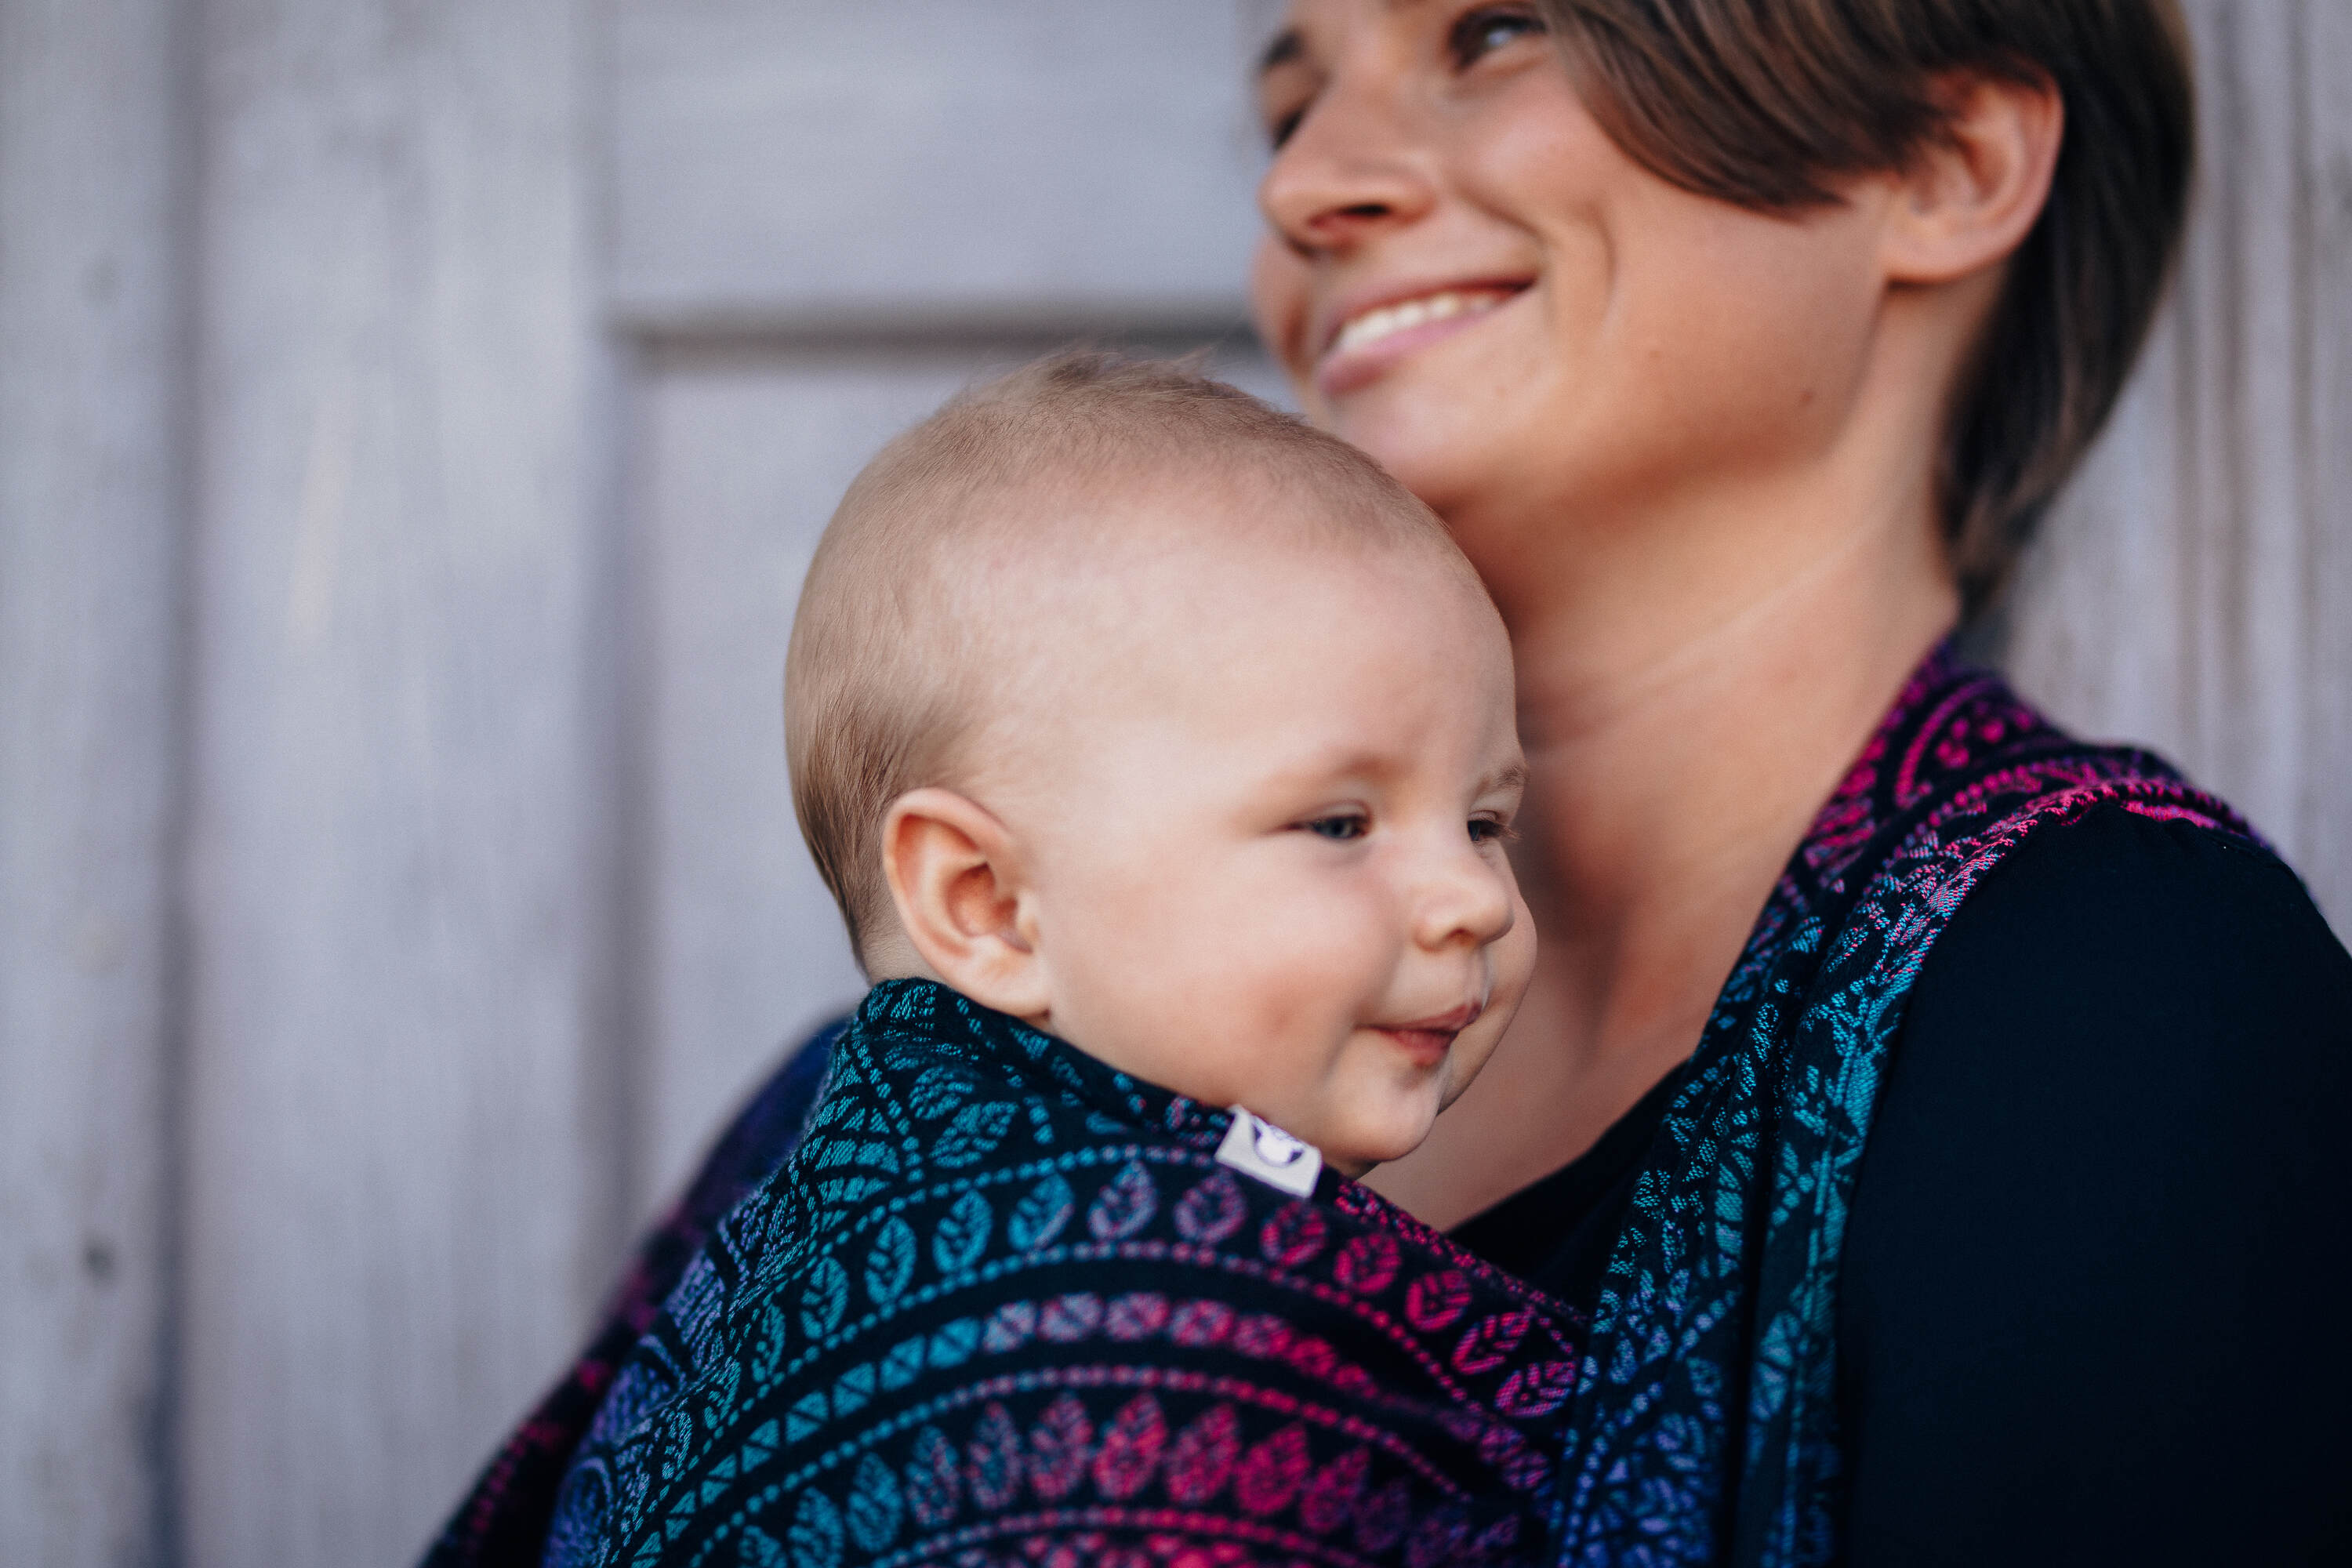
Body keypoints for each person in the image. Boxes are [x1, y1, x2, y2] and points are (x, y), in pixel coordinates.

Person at [427, 3, 2352, 1564]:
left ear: (1943, 159)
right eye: (1292, 92)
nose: (1309, 185)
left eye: (1493, 32)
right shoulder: (948, 1073)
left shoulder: (2125, 1006)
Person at [540, 352, 1583, 1566]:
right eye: (1340, 825)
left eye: (1486, 821)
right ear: (986, 903)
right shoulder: (1126, 1372)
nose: (1473, 898)